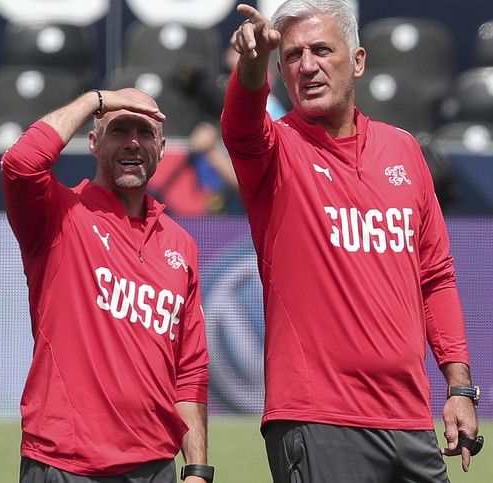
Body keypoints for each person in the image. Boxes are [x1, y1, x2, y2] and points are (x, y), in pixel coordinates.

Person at [221, 1, 481, 481]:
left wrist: (459, 386)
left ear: (358, 61)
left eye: (322, 50)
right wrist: (252, 65)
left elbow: (437, 277)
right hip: (318, 421)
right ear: (280, 71)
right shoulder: (274, 152)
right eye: (293, 56)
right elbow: (239, 125)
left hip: (409, 420)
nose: (308, 66)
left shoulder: (403, 149)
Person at [1, 88, 212, 482]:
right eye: (118, 129)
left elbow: (190, 368)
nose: (133, 141)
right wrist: (94, 101)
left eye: (144, 132)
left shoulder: (181, 244)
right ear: (94, 142)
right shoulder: (58, 214)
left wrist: (197, 469)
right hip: (64, 463)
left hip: (156, 466)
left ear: (162, 148)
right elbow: (21, 163)